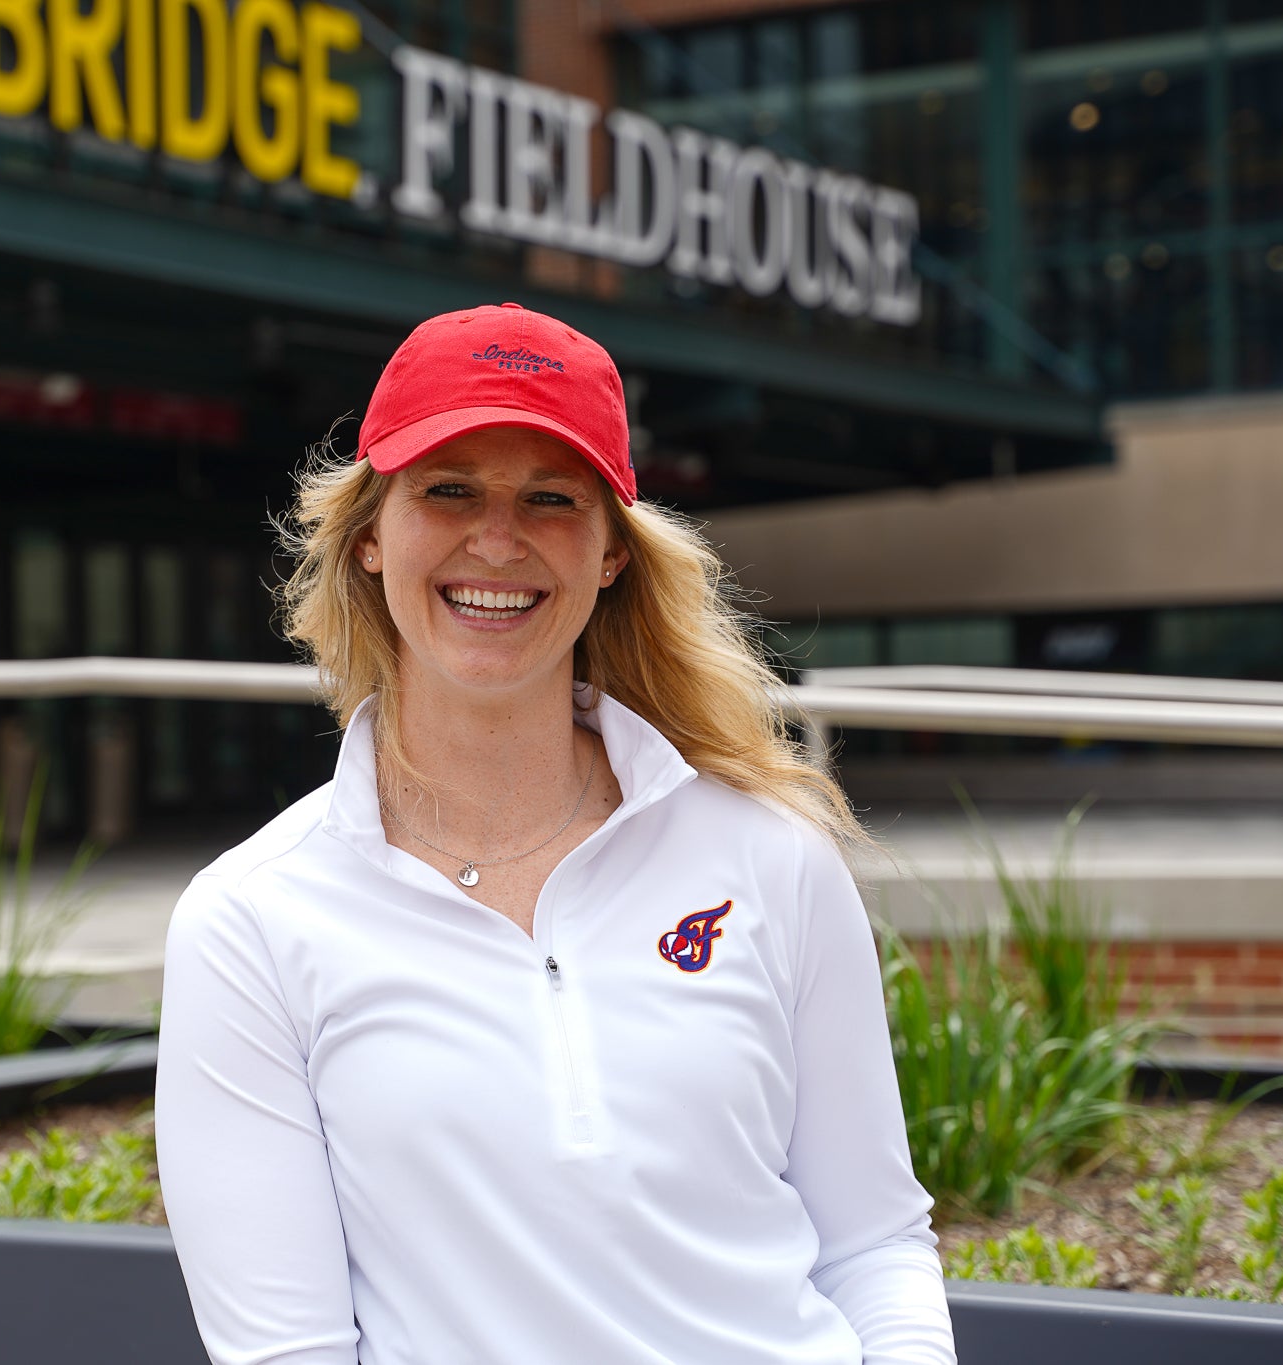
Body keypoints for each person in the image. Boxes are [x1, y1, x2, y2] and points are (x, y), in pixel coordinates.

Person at [155, 302, 955, 1365]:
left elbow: (870, 1243)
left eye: (550, 497)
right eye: (447, 490)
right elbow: (287, 1352)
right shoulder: (250, 920)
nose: (497, 538)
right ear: (365, 541)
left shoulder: (769, 853)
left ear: (611, 553)